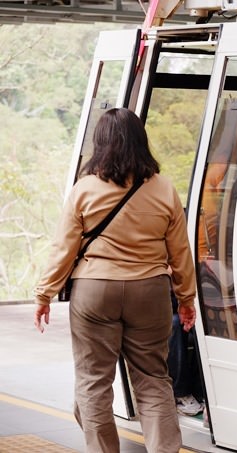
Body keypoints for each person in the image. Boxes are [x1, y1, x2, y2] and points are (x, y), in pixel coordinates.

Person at [33, 108, 197, 453]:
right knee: (153, 379)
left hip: (95, 291)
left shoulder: (85, 189)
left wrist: (44, 294)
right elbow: (180, 251)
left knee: (94, 383)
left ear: (101, 144)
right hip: (150, 290)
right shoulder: (164, 189)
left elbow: (64, 248)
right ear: (141, 141)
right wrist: (186, 299)